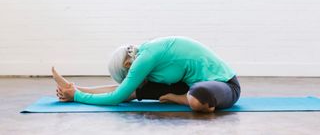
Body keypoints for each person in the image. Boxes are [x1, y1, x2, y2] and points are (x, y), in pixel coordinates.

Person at [53, 36, 241, 113]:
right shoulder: (146, 53)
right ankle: (183, 96)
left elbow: (116, 97)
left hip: (224, 85)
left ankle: (180, 98)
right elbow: (125, 91)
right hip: (187, 83)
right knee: (137, 91)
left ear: (128, 64)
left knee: (197, 97)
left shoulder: (144, 59)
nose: (131, 79)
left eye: (128, 75)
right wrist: (76, 90)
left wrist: (78, 97)